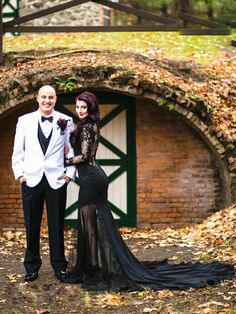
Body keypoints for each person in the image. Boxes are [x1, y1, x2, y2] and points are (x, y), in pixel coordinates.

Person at [61, 91, 235, 291]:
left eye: (84, 107)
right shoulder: (86, 125)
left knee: (90, 223)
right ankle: (94, 266)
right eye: (78, 107)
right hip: (94, 177)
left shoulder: (88, 126)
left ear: (91, 108)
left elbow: (83, 156)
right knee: (94, 223)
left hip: (92, 179)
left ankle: (95, 269)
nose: (80, 110)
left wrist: (63, 161)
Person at [12, 85, 76, 282]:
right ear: (37, 99)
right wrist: (20, 175)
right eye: (44, 97)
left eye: (51, 97)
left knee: (57, 224)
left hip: (56, 180)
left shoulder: (66, 121)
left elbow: (71, 150)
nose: (47, 100)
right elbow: (18, 151)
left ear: (55, 100)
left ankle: (59, 266)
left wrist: (69, 175)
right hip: (31, 179)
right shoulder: (24, 121)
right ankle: (31, 266)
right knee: (32, 224)